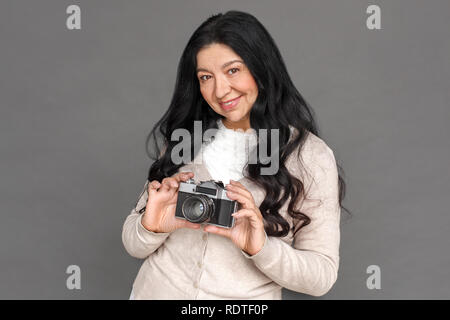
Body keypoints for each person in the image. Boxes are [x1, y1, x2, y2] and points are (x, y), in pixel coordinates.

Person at [122, 10, 348, 300]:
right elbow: (133, 241)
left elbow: (321, 277)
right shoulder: (187, 138)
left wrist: (260, 248)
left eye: (233, 70)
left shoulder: (308, 156)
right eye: (206, 77)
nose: (220, 90)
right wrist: (151, 226)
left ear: (261, 68)